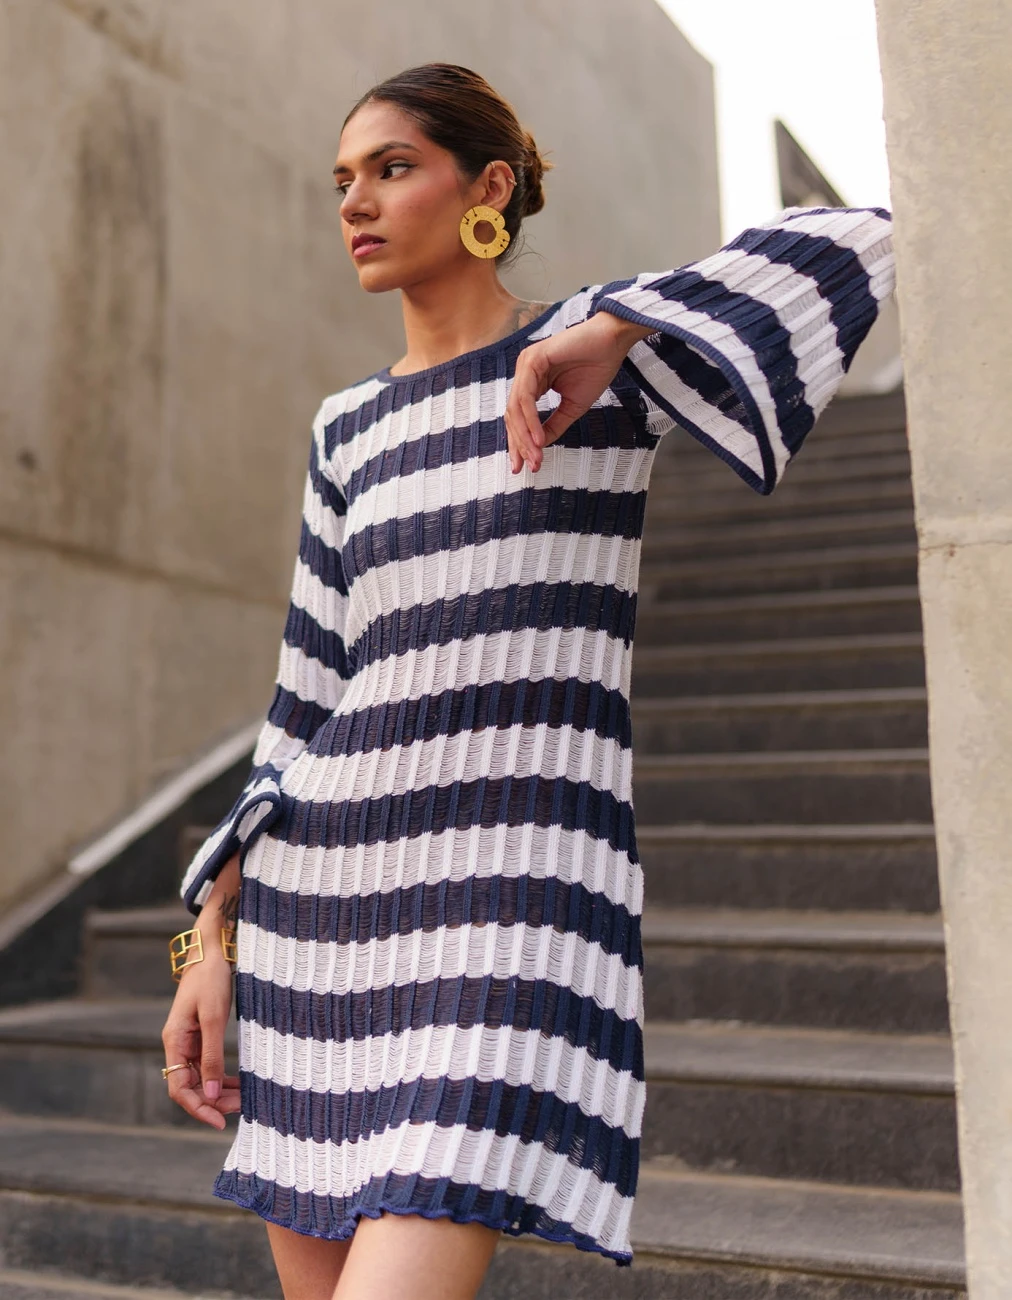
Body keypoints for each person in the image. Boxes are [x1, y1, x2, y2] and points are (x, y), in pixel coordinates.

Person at [160, 61, 894, 1300]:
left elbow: (861, 239)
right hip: (322, 913)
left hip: (511, 902)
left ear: (487, 187)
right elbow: (301, 702)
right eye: (342, 180)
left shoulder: (585, 355)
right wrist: (205, 942)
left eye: (393, 168)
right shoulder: (347, 428)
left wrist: (623, 325)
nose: (355, 202)